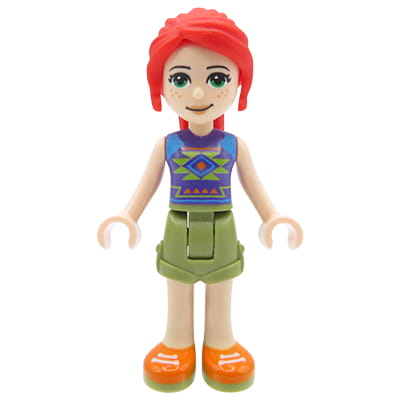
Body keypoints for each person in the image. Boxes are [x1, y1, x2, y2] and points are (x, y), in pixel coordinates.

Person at [98, 8, 303, 392]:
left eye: (217, 79)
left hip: (223, 227)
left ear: (239, 83)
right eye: (180, 79)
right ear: (161, 86)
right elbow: (147, 185)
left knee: (222, 284)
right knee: (177, 284)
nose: (197, 93)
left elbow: (253, 185)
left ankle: (220, 341)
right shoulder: (167, 146)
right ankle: (177, 341)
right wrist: (128, 217)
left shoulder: (234, 146)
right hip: (178, 226)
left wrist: (272, 217)